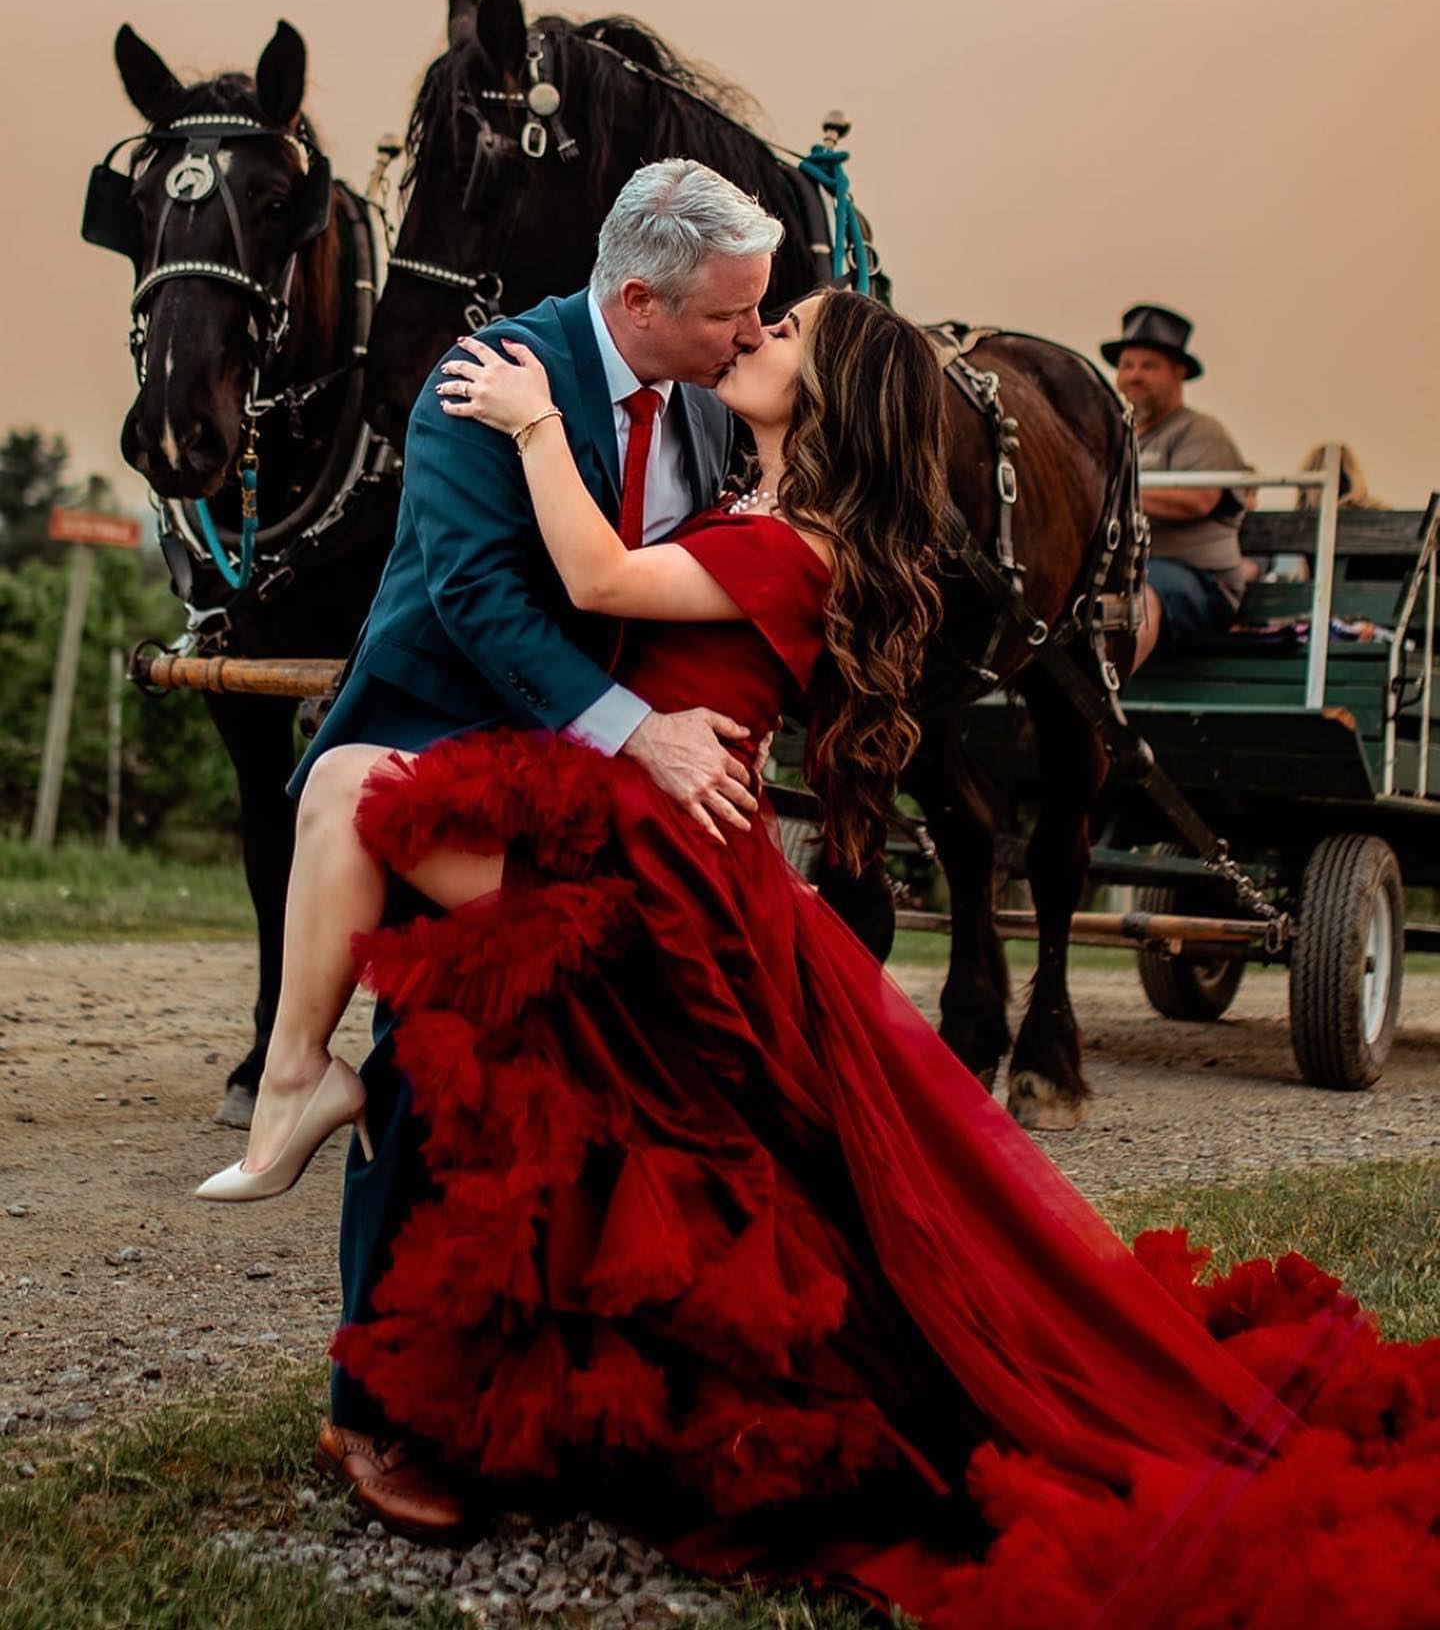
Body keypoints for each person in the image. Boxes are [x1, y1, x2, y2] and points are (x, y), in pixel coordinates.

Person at [223, 287, 1436, 1622]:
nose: (752, 338)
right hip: (654, 814)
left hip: (662, 842)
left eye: (781, 333)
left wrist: (525, 426)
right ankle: (309, 1100)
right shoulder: (752, 498)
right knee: (347, 795)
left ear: (833, 400)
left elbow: (597, 581)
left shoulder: (802, 539)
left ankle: (299, 1084)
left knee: (348, 792)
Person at [197, 159, 786, 1530]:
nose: (750, 337)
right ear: (637, 300)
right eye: (727, 317)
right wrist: (637, 731)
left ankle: (569, 1390)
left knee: (586, 1085)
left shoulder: (718, 405)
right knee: (429, 1060)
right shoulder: (492, 378)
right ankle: (377, 1412)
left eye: (761, 317)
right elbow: (474, 597)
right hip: (452, 747)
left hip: (599, 778)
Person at [1102, 304, 1249, 670]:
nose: (1134, 376)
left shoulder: (1199, 433)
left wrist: (1107, 498)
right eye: (1127, 365)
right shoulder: (1114, 437)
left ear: (1178, 373)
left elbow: (1197, 500)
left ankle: (1102, 708)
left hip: (1200, 581)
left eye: (1148, 366)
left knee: (1137, 597)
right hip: (1124, 570)